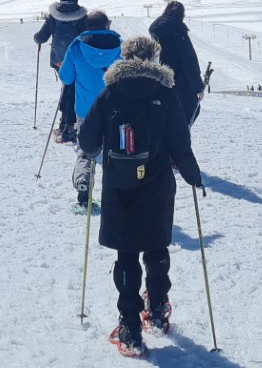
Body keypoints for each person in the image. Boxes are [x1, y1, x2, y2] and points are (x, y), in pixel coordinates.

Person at [78, 36, 203, 359]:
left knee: (127, 253)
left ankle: (130, 327)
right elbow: (180, 141)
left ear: (125, 57)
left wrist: (91, 155)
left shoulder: (111, 93)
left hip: (120, 185)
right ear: (154, 59)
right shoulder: (165, 93)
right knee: (156, 243)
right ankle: (158, 308)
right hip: (157, 182)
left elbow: (88, 137)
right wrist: (192, 175)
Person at [59, 11, 122, 210]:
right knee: (114, 151)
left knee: (86, 150)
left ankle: (83, 184)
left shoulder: (77, 47)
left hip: (86, 109)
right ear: (106, 25)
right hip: (115, 108)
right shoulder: (120, 46)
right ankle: (118, 190)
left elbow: (66, 78)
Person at [34, 0, 88, 142]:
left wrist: (36, 39)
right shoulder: (82, 17)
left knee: (67, 88)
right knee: (73, 92)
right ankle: (71, 127)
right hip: (78, 61)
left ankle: (65, 126)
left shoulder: (53, 17)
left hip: (59, 62)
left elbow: (41, 37)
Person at [147, 0, 206, 125]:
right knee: (188, 112)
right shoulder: (178, 33)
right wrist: (198, 87)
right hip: (181, 83)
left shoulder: (156, 32)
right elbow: (189, 61)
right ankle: (178, 142)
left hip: (161, 80)